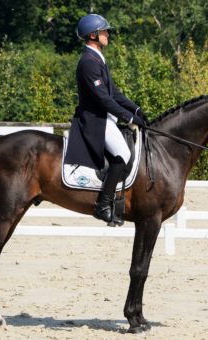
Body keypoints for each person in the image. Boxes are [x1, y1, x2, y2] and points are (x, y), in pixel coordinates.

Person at [64, 13, 147, 224]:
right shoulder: (88, 62)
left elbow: (113, 93)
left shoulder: (97, 58)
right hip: (95, 120)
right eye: (104, 31)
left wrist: (135, 109)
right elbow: (102, 99)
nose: (108, 34)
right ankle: (103, 204)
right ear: (93, 35)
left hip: (105, 117)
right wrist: (128, 118)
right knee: (123, 153)